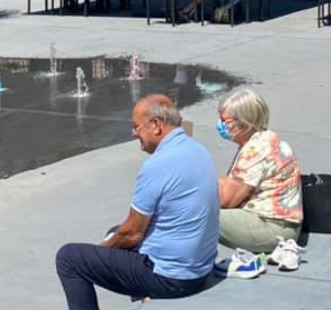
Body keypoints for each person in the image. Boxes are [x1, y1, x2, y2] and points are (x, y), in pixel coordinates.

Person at [56, 95, 219, 308]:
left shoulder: (158, 164)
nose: (134, 134)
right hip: (199, 268)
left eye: (136, 127)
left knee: (70, 258)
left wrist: (103, 248)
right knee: (115, 231)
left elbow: (133, 233)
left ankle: (148, 292)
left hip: (173, 279)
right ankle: (145, 298)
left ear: (156, 126)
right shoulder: (197, 150)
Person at [216, 88, 303, 256]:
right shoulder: (266, 138)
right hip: (283, 224)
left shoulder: (256, 150)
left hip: (272, 228)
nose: (220, 125)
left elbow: (228, 200)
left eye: (224, 120)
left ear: (243, 121)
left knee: (194, 214)